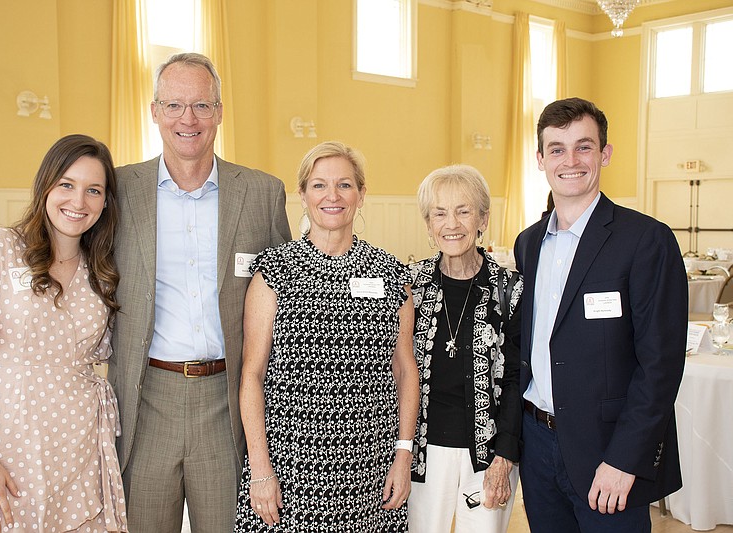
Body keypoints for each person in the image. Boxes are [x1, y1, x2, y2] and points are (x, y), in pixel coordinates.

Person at [108, 52, 291, 532]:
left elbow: (291, 303)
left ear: (220, 112)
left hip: (227, 400)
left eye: (202, 106)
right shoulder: (117, 191)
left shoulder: (261, 193)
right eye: (173, 105)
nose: (187, 119)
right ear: (154, 111)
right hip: (146, 399)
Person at [0, 134, 126, 532]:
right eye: (67, 185)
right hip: (2, 447)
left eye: (94, 190)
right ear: (45, 187)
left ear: (105, 202)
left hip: (78, 451)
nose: (79, 202)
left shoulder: (102, 272)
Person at [513, 97, 687, 532]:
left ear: (604, 154)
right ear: (540, 159)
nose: (570, 161)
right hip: (537, 444)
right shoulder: (528, 244)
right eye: (556, 149)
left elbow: (660, 365)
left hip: (607, 453)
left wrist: (625, 458)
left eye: (583, 147)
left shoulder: (646, 240)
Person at [234, 141, 419, 531]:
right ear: (302, 195)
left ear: (362, 195)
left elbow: (405, 370)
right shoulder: (275, 272)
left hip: (370, 469)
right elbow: (252, 375)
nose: (332, 196)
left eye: (345, 185)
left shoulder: (391, 274)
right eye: (319, 185)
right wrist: (260, 468)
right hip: (290, 470)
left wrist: (404, 456)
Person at [407, 165, 523, 533]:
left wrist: (504, 456)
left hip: (489, 454)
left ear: (483, 219)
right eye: (439, 213)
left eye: (463, 210)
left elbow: (519, 379)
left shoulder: (511, 290)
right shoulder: (409, 286)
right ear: (428, 224)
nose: (451, 223)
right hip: (422, 453)